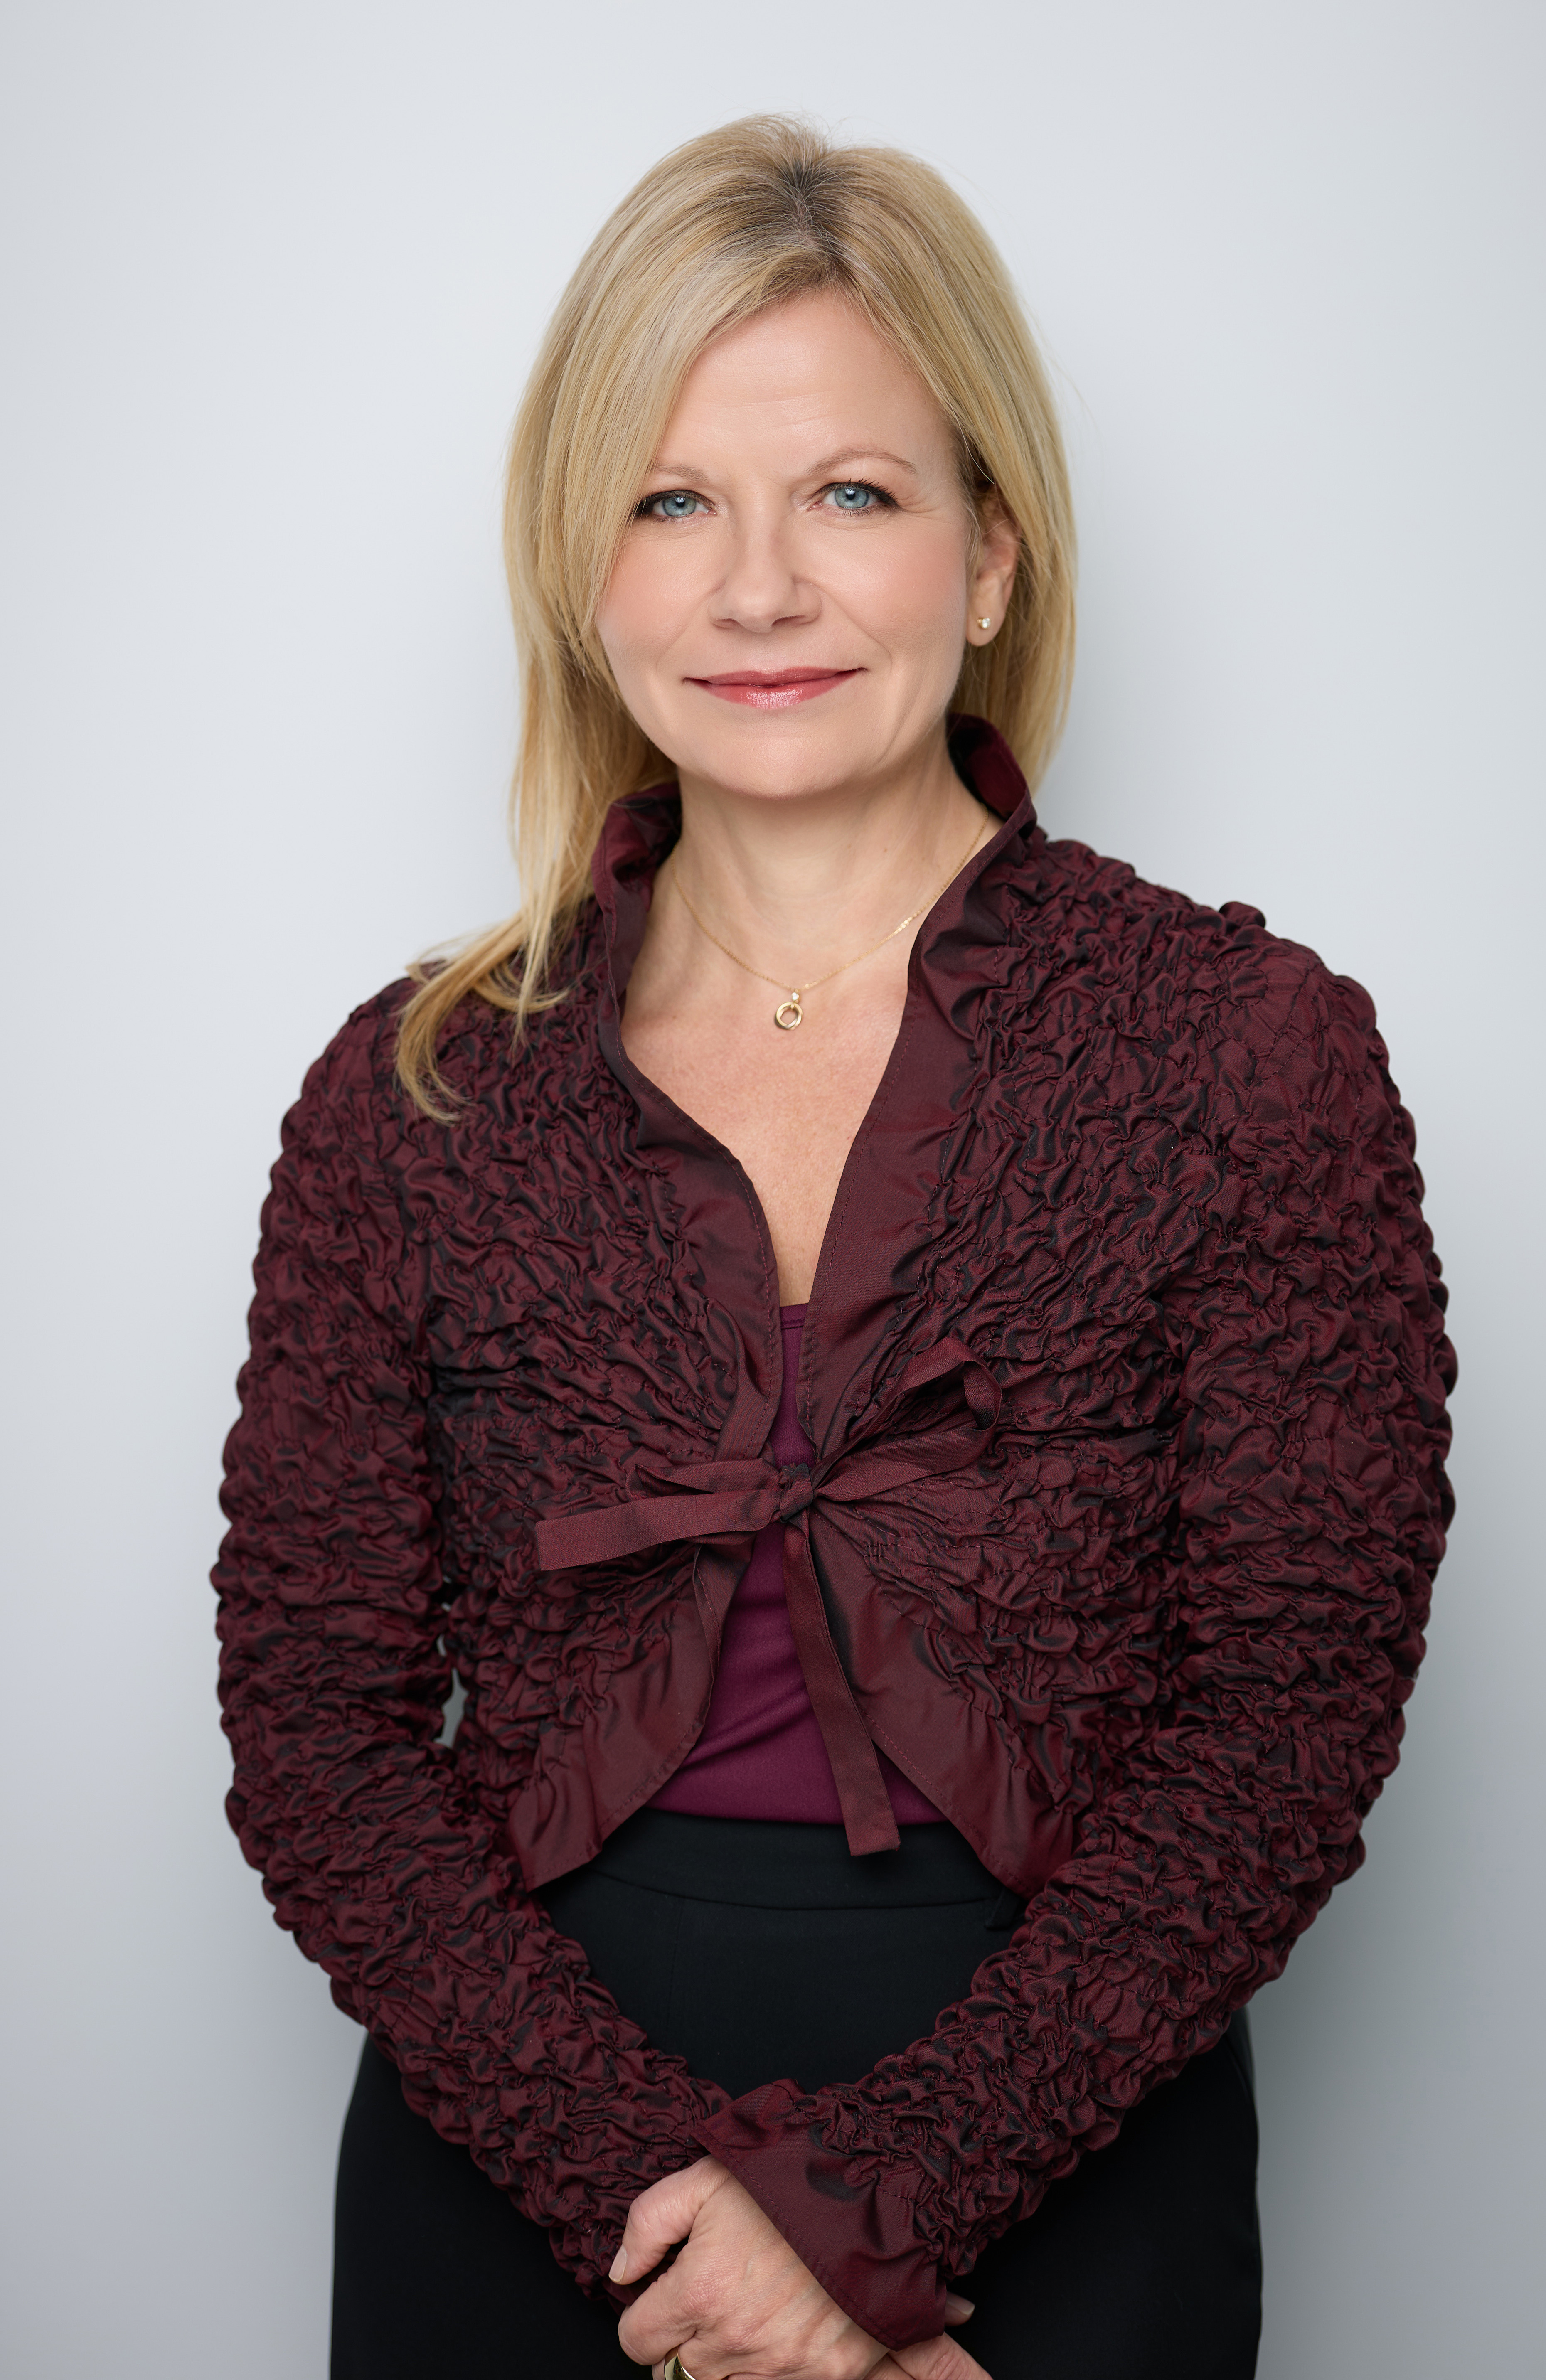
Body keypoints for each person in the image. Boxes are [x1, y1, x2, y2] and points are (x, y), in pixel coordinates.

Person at [213, 116, 1455, 2380]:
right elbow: (316, 1731)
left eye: (853, 496)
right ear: (583, 574)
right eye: (671, 502)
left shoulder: (1245, 1051)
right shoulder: (417, 1094)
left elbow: (1291, 1710)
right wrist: (685, 2239)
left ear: (993, 556)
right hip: (522, 2157)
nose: (758, 590)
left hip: (1065, 2144)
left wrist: (872, 2222)